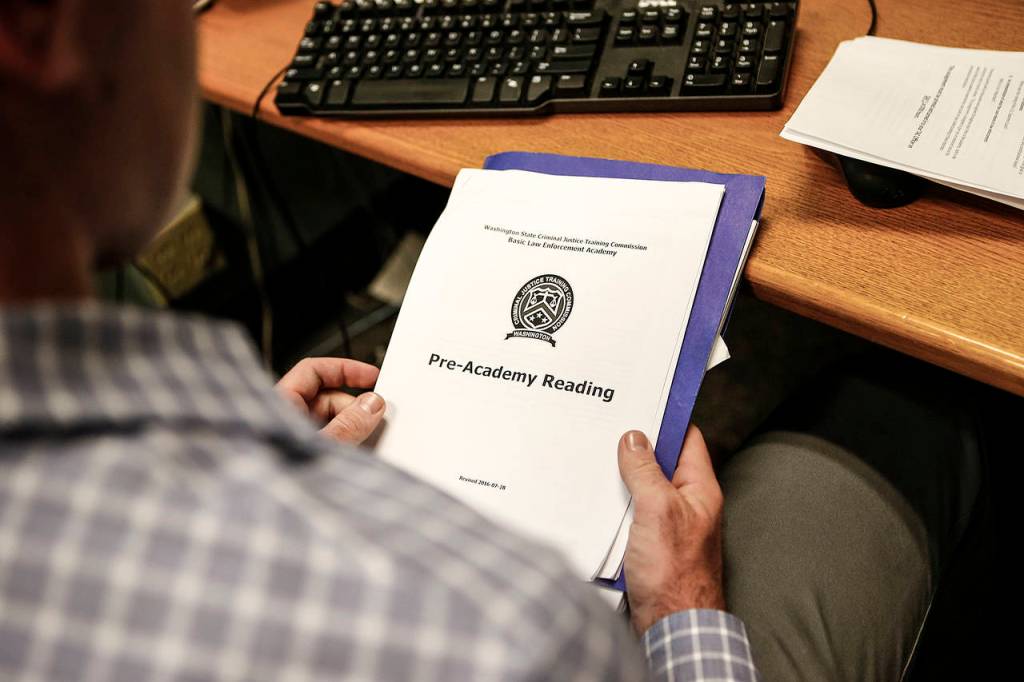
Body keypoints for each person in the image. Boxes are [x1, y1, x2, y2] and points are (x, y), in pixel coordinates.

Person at [0, 1, 979, 680]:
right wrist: (682, 609)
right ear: (38, 29)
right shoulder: (507, 627)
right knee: (904, 408)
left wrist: (242, 464)